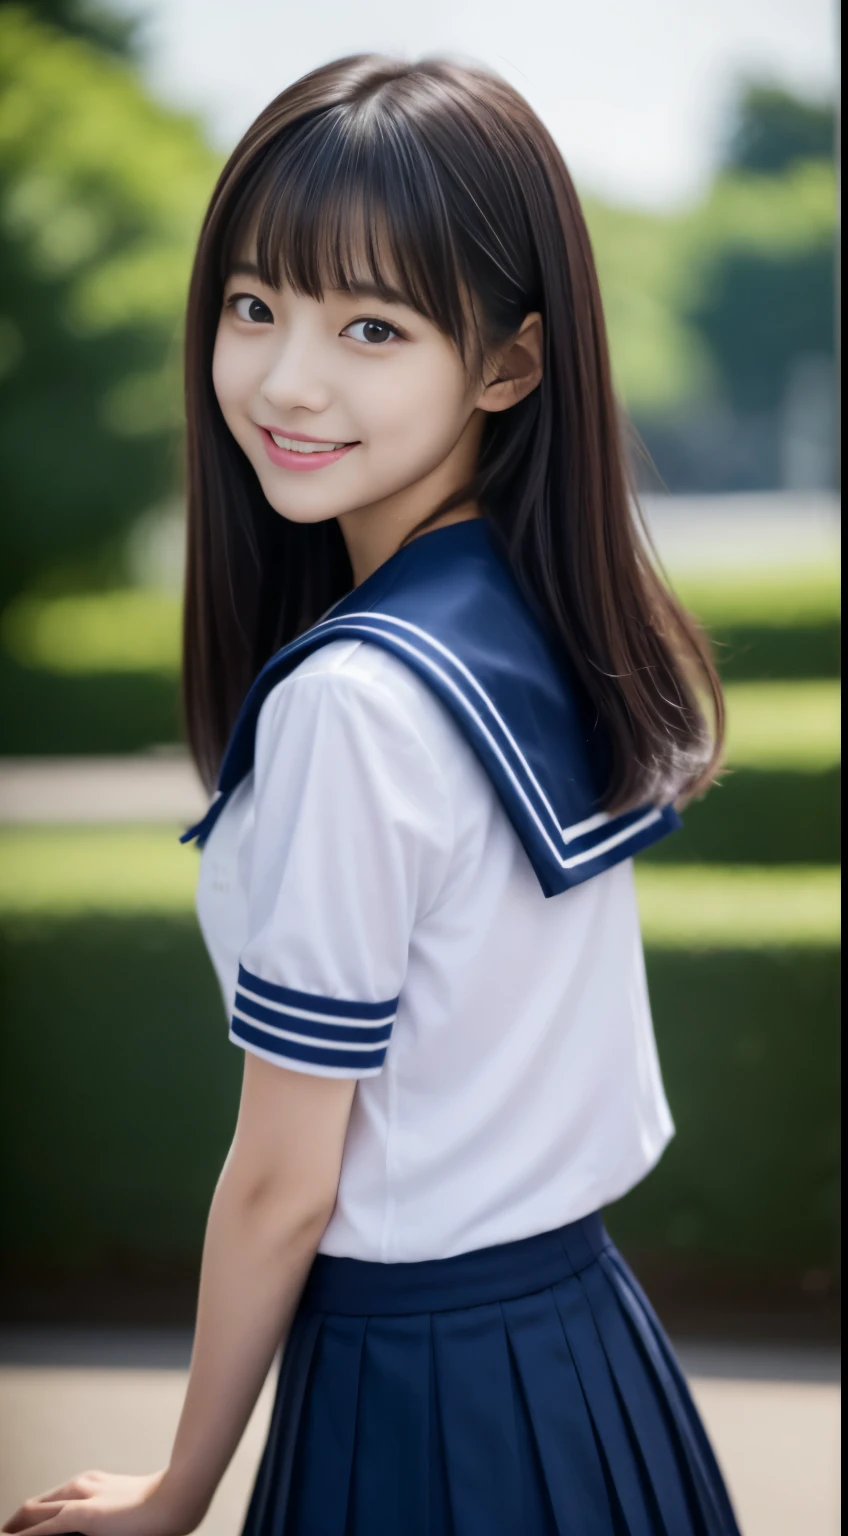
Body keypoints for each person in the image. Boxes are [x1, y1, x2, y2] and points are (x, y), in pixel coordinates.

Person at [3, 53, 741, 1536]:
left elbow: (283, 1186)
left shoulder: (356, 703)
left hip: (422, 1393)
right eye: (255, 305)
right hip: (591, 1356)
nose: (286, 378)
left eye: (372, 325)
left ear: (509, 365)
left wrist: (177, 1489)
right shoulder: (536, 610)